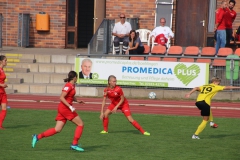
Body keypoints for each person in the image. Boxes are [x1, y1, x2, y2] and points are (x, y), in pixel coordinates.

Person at [32, 71, 85, 151]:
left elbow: (70, 96)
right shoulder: (68, 86)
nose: (77, 79)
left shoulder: (72, 85)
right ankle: (74, 144)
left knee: (57, 129)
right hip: (65, 109)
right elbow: (61, 97)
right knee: (80, 124)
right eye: (76, 77)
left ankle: (37, 137)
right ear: (74, 78)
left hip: (63, 108)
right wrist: (70, 106)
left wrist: (77, 101)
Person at [0, 55, 8, 129]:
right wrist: (2, 85)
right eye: (5, 60)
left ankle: (0, 125)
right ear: (1, 61)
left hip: (3, 91)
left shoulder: (2, 69)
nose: (6, 62)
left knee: (4, 108)